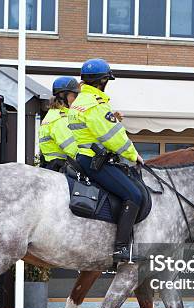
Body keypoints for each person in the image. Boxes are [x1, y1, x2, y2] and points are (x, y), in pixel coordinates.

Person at [68, 58, 145, 263]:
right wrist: (133, 154)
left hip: (84, 157)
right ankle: (120, 249)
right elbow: (112, 136)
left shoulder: (78, 104)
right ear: (103, 81)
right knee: (134, 195)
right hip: (97, 161)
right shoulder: (95, 104)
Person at [38, 76, 80, 172]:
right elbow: (73, 149)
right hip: (58, 168)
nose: (76, 99)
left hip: (53, 166)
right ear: (62, 95)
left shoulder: (56, 113)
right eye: (74, 95)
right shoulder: (59, 119)